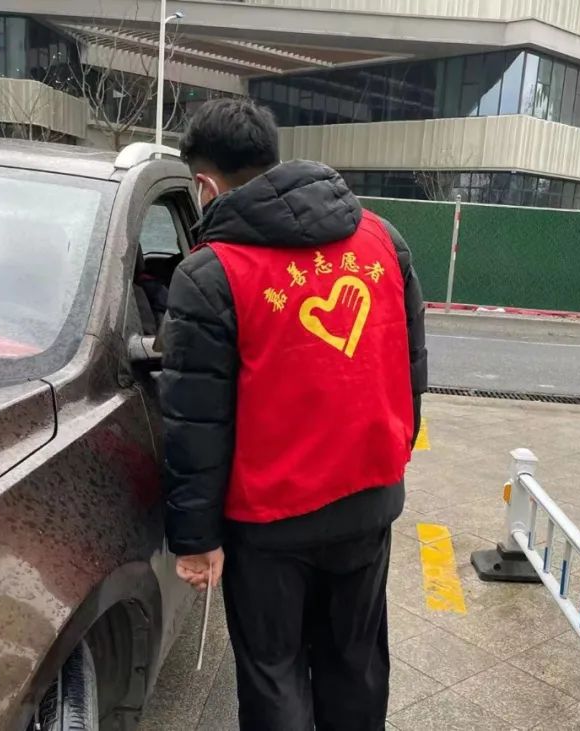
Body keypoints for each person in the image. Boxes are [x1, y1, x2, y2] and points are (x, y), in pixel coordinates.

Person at [158, 98, 427, 731]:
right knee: (355, 662)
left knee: (274, 672)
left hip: (268, 523)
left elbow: (196, 422)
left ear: (205, 185)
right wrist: (390, 459)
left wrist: (197, 541)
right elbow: (410, 366)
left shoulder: (211, 274)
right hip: (367, 501)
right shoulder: (382, 240)